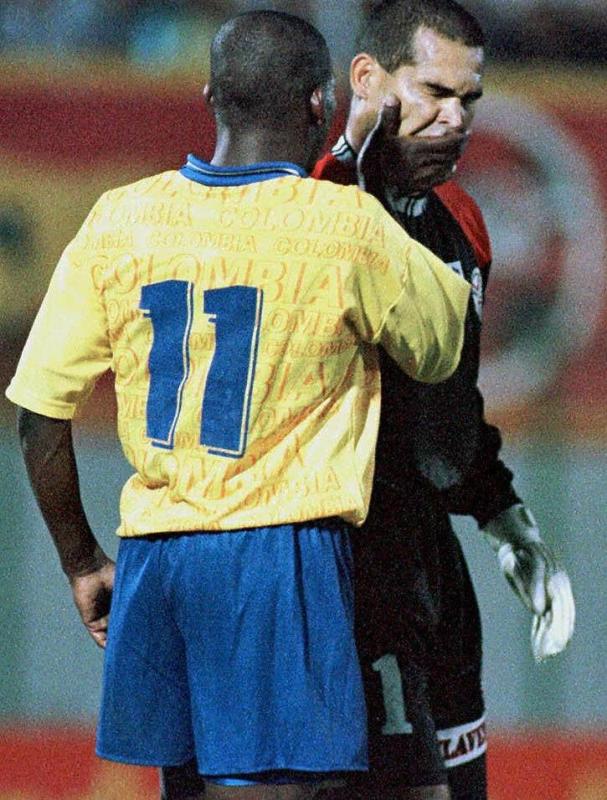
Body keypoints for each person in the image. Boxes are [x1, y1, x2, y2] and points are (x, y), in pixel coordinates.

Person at [6, 10, 471, 800]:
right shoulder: (344, 225)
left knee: (188, 787)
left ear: (210, 98)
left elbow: (39, 413)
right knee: (274, 790)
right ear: (320, 103)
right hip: (276, 551)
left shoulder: (121, 217)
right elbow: (439, 346)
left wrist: (81, 559)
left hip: (156, 555)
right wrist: (380, 182)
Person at [312, 2, 575, 799]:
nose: (455, 119)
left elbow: (448, 406)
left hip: (428, 562)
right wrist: (353, 158)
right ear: (367, 80)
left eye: (468, 100)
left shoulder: (461, 221)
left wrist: (504, 516)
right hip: (333, 562)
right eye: (432, 92)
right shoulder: (306, 210)